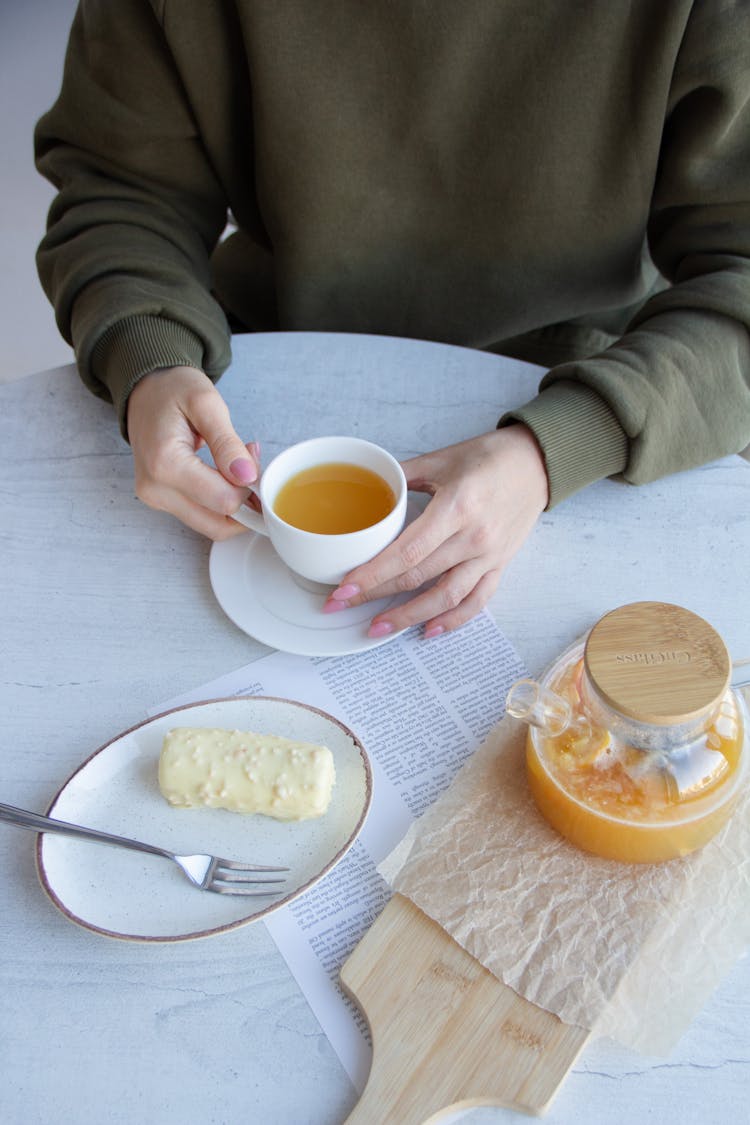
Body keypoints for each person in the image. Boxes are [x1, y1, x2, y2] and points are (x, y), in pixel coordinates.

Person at [35, 1, 750, 640]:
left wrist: (557, 447)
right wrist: (149, 353)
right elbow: (122, 184)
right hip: (253, 376)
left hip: (613, 403)